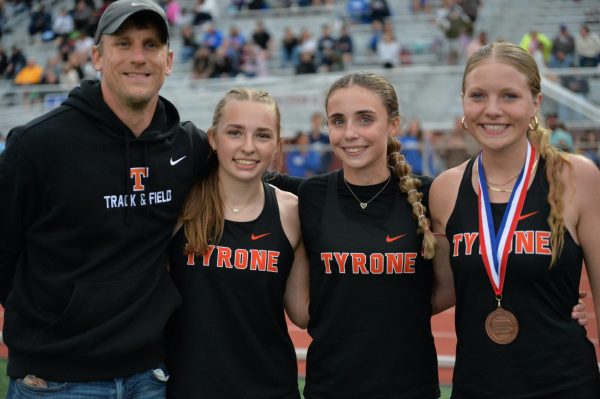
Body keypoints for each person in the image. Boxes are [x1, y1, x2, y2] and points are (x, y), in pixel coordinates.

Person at [0, 0, 214, 397]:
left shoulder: (187, 145)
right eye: (124, 43)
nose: (139, 57)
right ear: (97, 56)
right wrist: (50, 325)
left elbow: (248, 176)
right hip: (55, 380)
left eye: (151, 45)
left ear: (168, 61)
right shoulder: (37, 145)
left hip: (150, 375)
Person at [429, 41, 600, 398]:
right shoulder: (445, 189)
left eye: (509, 96)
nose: (492, 110)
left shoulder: (577, 178)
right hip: (476, 387)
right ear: (463, 101)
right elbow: (439, 293)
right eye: (478, 96)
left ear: (535, 103)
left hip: (566, 386)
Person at [298, 71, 452, 399]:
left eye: (365, 119)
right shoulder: (310, 195)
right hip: (330, 387)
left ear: (393, 124)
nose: (350, 133)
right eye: (338, 121)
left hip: (411, 387)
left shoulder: (429, 195)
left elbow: (448, 288)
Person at [166, 87, 309, 398]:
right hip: (189, 389)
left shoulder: (292, 212)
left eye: (262, 135)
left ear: (277, 145)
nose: (248, 147)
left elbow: (303, 312)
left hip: (271, 388)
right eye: (235, 133)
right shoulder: (180, 206)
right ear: (213, 138)